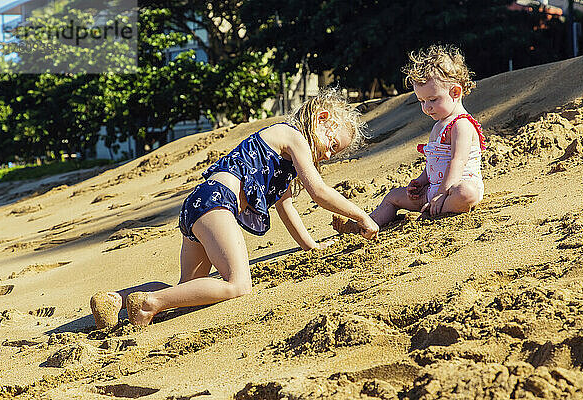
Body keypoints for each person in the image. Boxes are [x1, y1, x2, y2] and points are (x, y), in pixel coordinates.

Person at [90, 87, 379, 328]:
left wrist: (311, 247)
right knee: (238, 285)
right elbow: (319, 192)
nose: (328, 154)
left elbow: (286, 207)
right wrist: (361, 215)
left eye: (334, 153)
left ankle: (115, 299)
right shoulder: (292, 135)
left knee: (187, 287)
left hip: (200, 203)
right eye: (332, 143)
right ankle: (150, 302)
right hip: (218, 202)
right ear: (322, 118)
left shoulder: (284, 161)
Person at [333, 44, 485, 234]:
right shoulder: (439, 124)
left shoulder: (461, 125)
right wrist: (421, 181)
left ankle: (430, 214)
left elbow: (457, 162)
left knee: (466, 194)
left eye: (433, 99)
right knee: (393, 196)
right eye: (422, 101)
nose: (426, 107)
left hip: (455, 189)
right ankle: (364, 224)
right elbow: (435, 162)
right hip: (434, 191)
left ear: (455, 92)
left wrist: (440, 195)